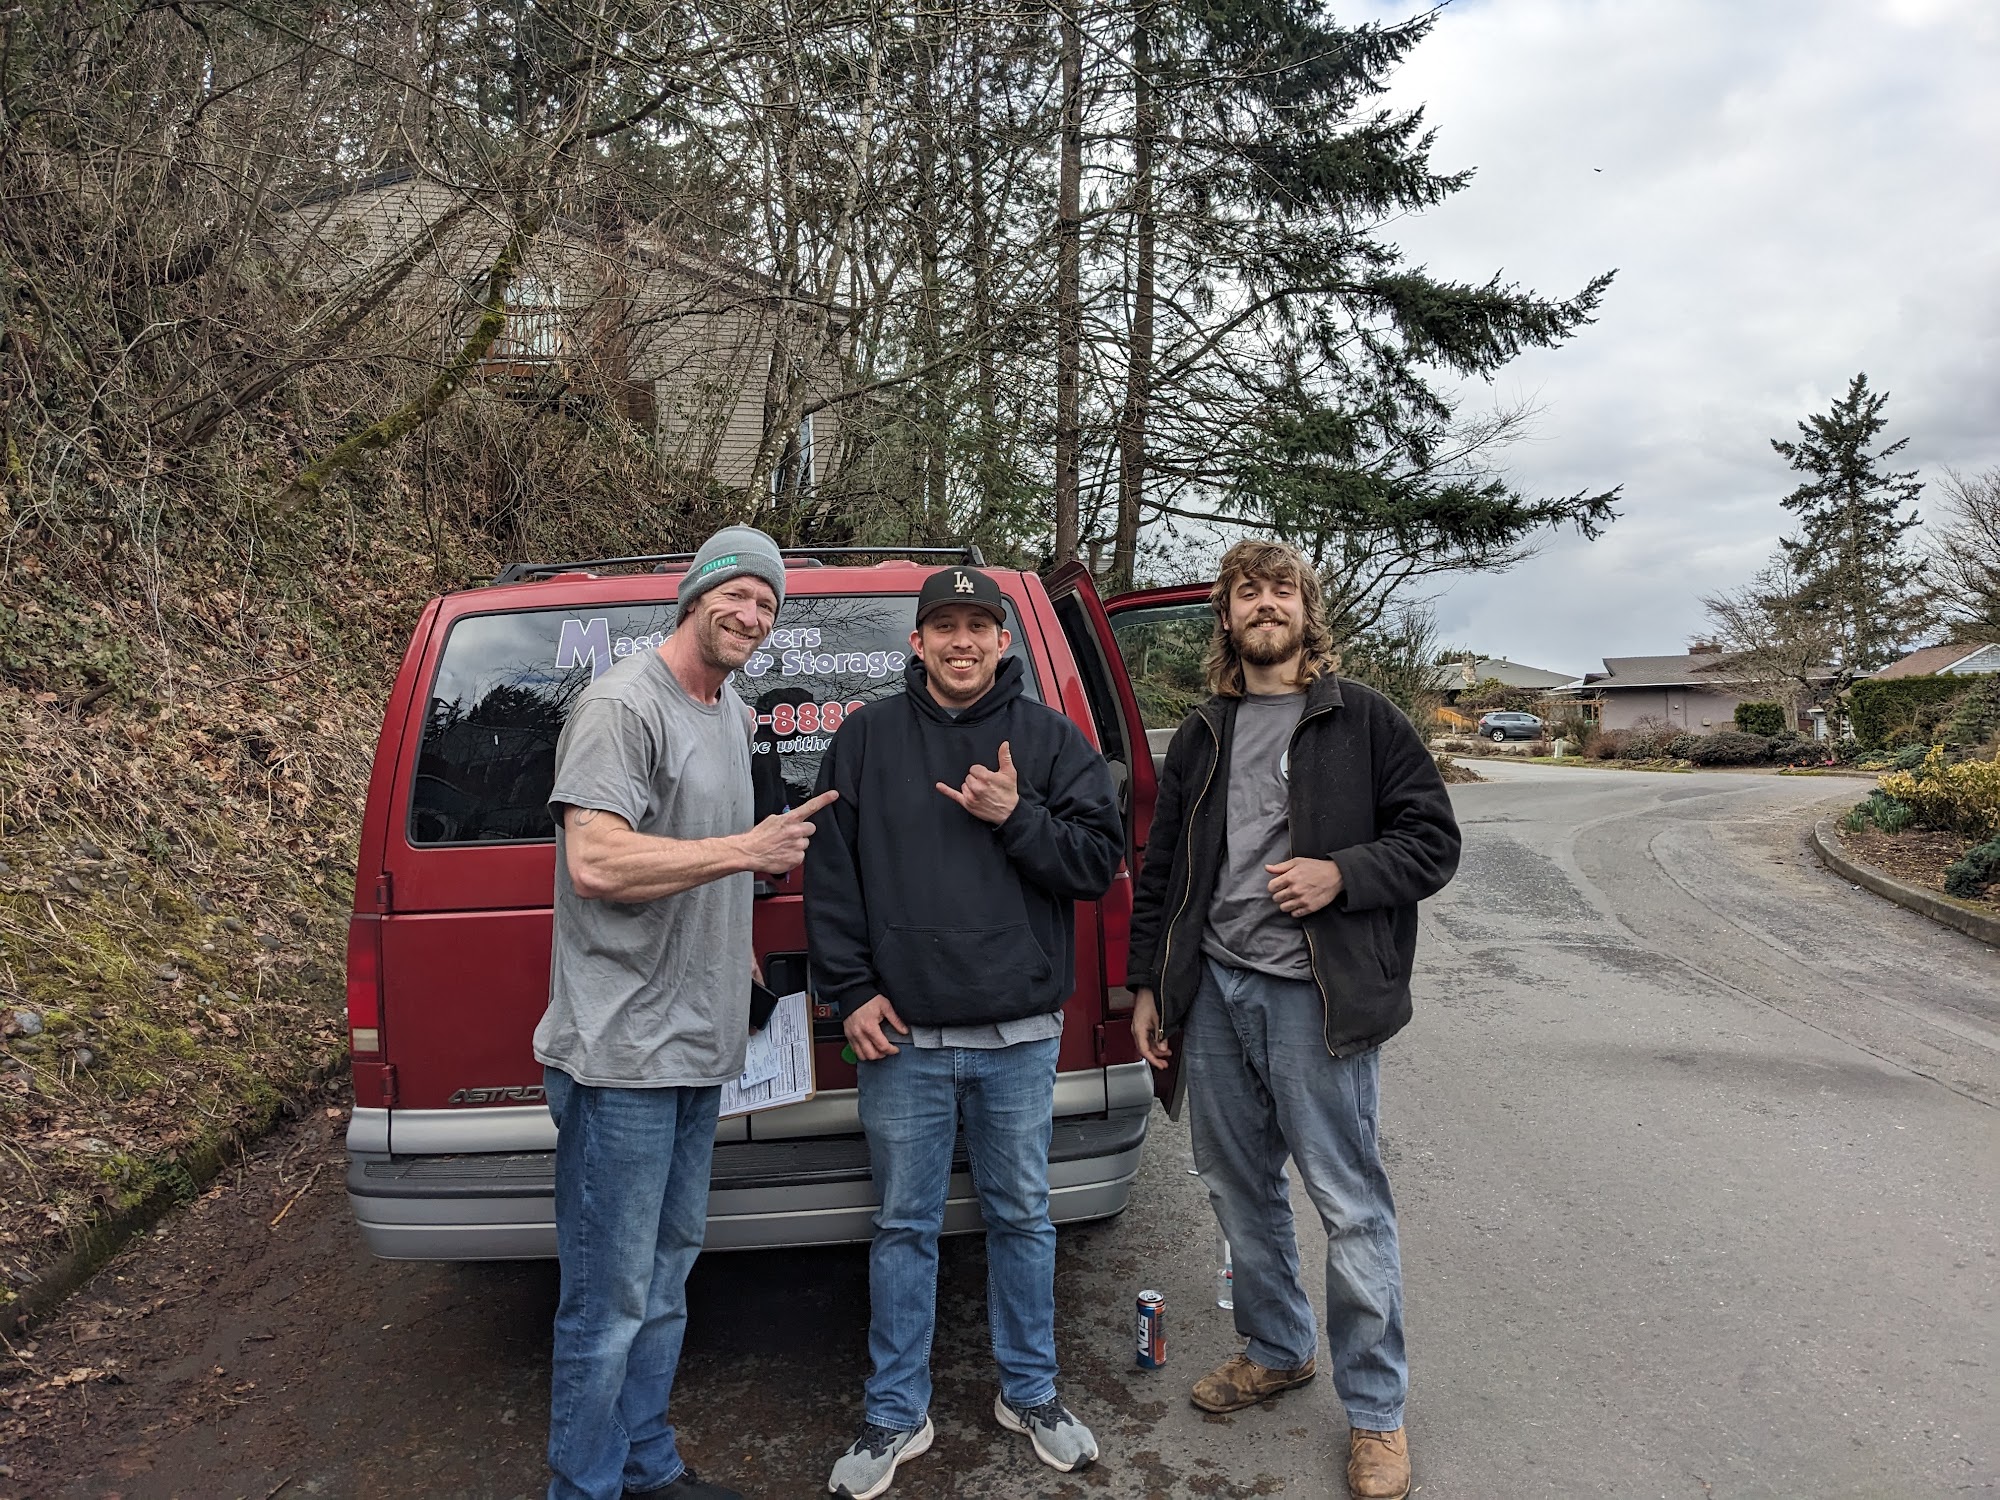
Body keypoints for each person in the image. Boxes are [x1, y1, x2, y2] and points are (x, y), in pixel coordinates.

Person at [1126, 540, 1460, 1500]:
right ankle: (1277, 1347)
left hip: (1315, 997)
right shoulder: (1204, 733)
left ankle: (1377, 1412)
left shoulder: (1365, 720)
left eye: (1282, 591)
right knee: (1237, 1186)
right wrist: (1150, 986)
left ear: (1308, 613)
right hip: (1217, 991)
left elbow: (1433, 842)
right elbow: (1162, 870)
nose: (1264, 605)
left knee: (1348, 1203)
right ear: (1227, 616)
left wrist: (1341, 874)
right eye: (1247, 592)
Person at [805, 565, 1124, 1499]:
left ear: (1002, 641)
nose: (961, 642)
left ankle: (1030, 1394)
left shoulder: (1050, 739)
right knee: (903, 1226)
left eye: (977, 626)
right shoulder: (865, 738)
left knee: (1022, 1217)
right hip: (903, 1037)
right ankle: (896, 1410)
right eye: (943, 626)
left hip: (1019, 1034)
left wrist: (1015, 815)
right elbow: (833, 877)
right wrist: (851, 992)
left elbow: (1097, 864)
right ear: (917, 643)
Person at [536, 524, 838, 1500]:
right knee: (607, 1303)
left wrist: (736, 954)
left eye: (767, 603)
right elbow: (596, 861)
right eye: (735, 593)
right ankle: (584, 1488)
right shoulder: (622, 705)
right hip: (620, 1058)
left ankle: (646, 1467)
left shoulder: (729, 710)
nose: (750, 614)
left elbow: (703, 860)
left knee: (664, 1283)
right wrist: (747, 851)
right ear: (694, 597)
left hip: (697, 1050)